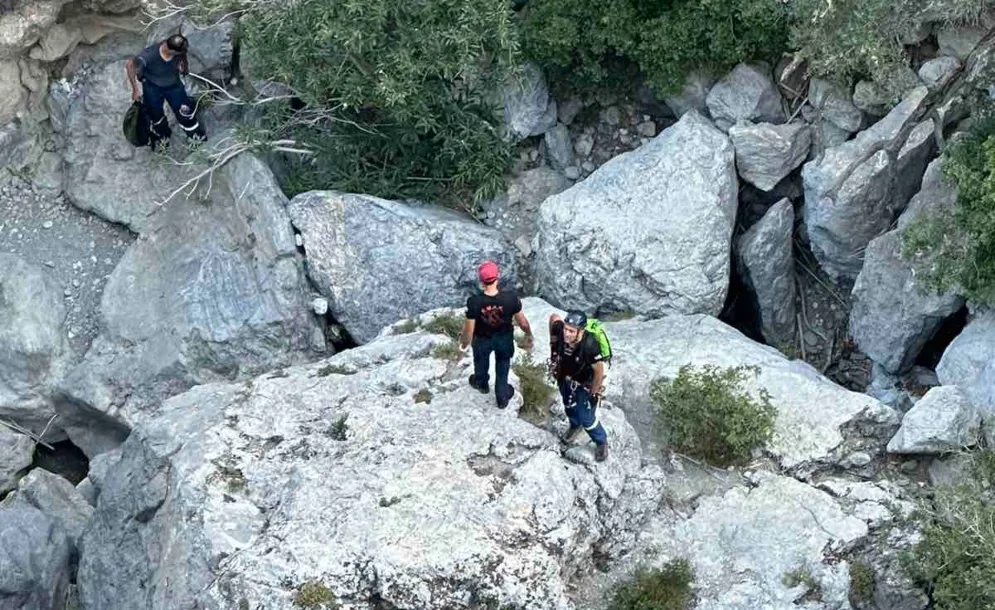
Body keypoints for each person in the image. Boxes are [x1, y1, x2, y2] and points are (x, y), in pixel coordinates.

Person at [457, 261, 533, 409]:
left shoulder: (474, 302)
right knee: (503, 366)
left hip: (482, 340)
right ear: (497, 277)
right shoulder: (511, 298)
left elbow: (469, 330)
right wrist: (528, 334)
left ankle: (482, 383)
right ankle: (502, 395)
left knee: (480, 362)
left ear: (481, 281)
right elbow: (523, 323)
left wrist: (463, 346)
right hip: (504, 339)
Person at [126, 34, 206, 147]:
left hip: (174, 86)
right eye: (179, 53)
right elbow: (130, 65)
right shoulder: (148, 56)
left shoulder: (179, 50)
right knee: (155, 115)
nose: (182, 53)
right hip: (152, 88)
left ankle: (195, 137)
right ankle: (163, 137)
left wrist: (184, 65)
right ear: (171, 50)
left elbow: (183, 54)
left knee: (185, 112)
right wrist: (135, 89)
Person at [549, 310, 609, 462]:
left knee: (586, 417)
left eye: (571, 331)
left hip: (584, 383)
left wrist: (594, 393)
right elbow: (553, 318)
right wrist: (553, 346)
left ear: (580, 331)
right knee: (568, 404)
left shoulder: (590, 345)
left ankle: (601, 441)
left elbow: (599, 371)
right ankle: (574, 425)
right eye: (565, 329)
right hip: (565, 376)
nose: (566, 333)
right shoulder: (559, 330)